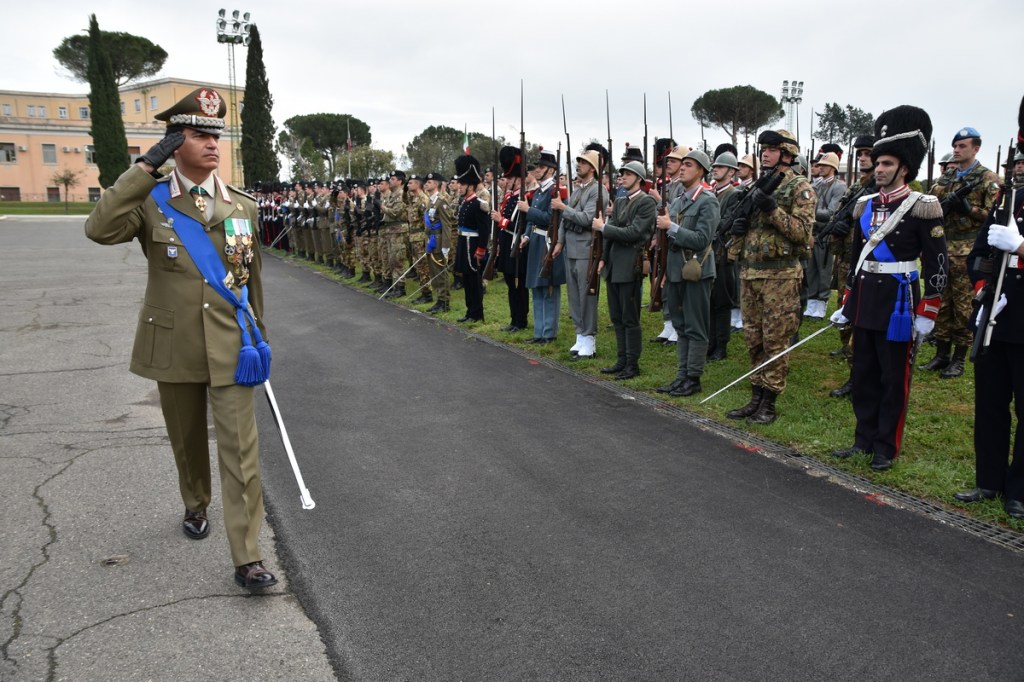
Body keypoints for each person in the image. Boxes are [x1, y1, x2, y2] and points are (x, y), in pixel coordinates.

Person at [84, 87, 277, 590]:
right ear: (174, 142)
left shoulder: (242, 206)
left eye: (216, 135)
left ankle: (248, 557)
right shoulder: (150, 201)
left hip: (233, 345)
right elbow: (99, 229)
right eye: (197, 135)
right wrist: (144, 168)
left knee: (240, 452)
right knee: (188, 440)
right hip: (174, 344)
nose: (212, 144)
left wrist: (260, 339)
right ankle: (195, 502)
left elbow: (250, 281)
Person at [830, 105, 947, 472]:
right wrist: (847, 301)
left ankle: (885, 446)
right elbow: (855, 259)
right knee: (862, 374)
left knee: (893, 378)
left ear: (904, 168)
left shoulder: (922, 206)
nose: (878, 169)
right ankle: (862, 438)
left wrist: (928, 310)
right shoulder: (863, 205)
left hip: (899, 303)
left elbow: (938, 263)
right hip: (865, 300)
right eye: (877, 163)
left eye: (886, 164)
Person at [726, 129, 815, 425]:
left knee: (775, 339)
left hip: (781, 275)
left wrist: (772, 209)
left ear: (787, 154)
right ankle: (755, 396)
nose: (764, 153)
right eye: (763, 148)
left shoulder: (799, 187)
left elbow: (803, 233)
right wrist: (738, 230)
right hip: (751, 272)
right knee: (753, 338)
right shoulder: (758, 186)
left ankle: (770, 401)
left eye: (772, 148)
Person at [959, 110, 1024, 517]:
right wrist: (984, 290)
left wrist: (1020, 248)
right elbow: (978, 254)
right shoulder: (1006, 201)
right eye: (1017, 159)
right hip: (996, 318)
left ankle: (1019, 491)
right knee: (991, 404)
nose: (1018, 165)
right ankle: (989, 480)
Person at [923, 126, 1001, 378]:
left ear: (976, 148)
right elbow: (931, 203)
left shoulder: (989, 179)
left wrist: (969, 210)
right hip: (942, 249)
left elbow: (995, 217)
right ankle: (941, 354)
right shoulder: (947, 177)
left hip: (969, 251)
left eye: (962, 146)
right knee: (942, 303)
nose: (956, 150)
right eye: (955, 146)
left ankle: (958, 358)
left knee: (964, 307)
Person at [655, 150, 720, 395]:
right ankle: (681, 376)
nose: (681, 168)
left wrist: (671, 226)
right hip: (675, 270)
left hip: (696, 270)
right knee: (681, 325)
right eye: (681, 165)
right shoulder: (679, 199)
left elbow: (703, 239)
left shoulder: (707, 200)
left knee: (696, 326)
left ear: (701, 170)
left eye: (688, 165)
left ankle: (693, 378)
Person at [592, 160, 657, 379]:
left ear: (639, 178)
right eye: (623, 174)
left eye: (628, 174)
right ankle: (622, 360)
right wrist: (602, 258)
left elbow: (634, 233)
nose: (624, 177)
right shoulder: (619, 202)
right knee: (617, 316)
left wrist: (604, 228)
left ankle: (632, 363)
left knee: (630, 317)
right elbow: (611, 234)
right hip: (613, 264)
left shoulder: (646, 203)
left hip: (630, 264)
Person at [827, 135, 876, 399]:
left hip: (868, 263)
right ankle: (853, 368)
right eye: (860, 154)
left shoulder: (881, 188)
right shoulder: (856, 186)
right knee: (844, 315)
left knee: (861, 323)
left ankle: (859, 378)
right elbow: (840, 212)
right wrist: (838, 227)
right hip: (847, 259)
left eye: (868, 153)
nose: (863, 158)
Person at [553, 149, 600, 359]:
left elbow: (588, 219)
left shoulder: (597, 190)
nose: (578, 164)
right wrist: (560, 241)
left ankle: (589, 337)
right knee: (574, 294)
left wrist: (564, 207)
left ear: (592, 168)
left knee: (586, 294)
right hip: (571, 247)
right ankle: (580, 334)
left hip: (585, 248)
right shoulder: (578, 190)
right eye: (579, 161)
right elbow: (565, 220)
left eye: (583, 162)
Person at [518, 148, 566, 343]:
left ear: (551, 170)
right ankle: (539, 332)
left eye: (541, 167)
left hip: (548, 241)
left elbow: (550, 218)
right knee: (536, 288)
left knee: (548, 289)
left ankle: (549, 332)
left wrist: (528, 210)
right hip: (536, 241)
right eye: (536, 168)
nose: (537, 170)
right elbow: (532, 220)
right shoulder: (539, 192)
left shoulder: (555, 192)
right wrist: (526, 235)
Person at [491, 146, 530, 332]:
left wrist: (502, 220)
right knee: (509, 283)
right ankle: (514, 319)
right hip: (507, 244)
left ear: (517, 180)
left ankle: (520, 320)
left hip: (517, 244)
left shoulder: (523, 197)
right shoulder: (509, 197)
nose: (506, 182)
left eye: (509, 178)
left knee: (518, 284)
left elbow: (520, 226)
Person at [707, 152, 742, 361]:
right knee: (710, 301)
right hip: (708, 253)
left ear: (731, 172)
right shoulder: (711, 193)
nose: (716, 169)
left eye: (721, 167)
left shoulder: (734, 195)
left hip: (722, 254)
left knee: (721, 302)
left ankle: (721, 345)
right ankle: (711, 343)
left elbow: (726, 222)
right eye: (715, 166)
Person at [804, 152, 847, 319]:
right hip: (813, 232)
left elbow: (832, 212)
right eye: (819, 165)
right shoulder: (816, 185)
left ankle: (821, 304)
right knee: (811, 269)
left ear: (833, 168)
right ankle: (812, 303)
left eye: (824, 165)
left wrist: (809, 211)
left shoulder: (839, 187)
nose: (820, 167)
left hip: (826, 233)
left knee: (824, 269)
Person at [453, 154, 488, 322]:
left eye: (462, 184)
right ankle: (469, 311)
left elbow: (484, 229)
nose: (459, 187)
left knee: (474, 280)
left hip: (473, 244)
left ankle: (477, 313)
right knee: (466, 279)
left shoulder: (478, 204)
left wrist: (481, 249)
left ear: (471, 186)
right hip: (463, 242)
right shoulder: (464, 202)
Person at [423, 172, 453, 313]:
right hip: (431, 241)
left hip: (439, 242)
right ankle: (439, 299)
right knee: (434, 271)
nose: (426, 184)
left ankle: (444, 301)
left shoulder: (441, 201)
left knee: (441, 272)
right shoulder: (431, 201)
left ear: (436, 184)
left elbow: (447, 225)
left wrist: (446, 246)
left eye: (429, 182)